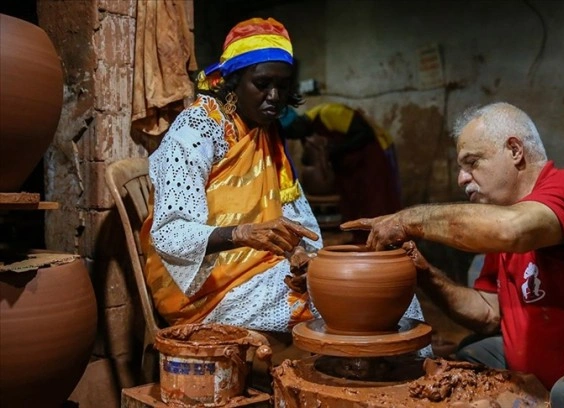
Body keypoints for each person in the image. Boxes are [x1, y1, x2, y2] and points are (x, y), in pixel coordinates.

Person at [341, 102, 564, 407]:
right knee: (462, 362)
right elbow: (489, 313)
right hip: (563, 377)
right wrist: (424, 273)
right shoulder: (503, 224)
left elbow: (511, 229)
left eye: (472, 163)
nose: (461, 178)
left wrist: (409, 220)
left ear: (515, 151)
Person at [139, 17, 427, 335]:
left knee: (388, 289)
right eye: (262, 84)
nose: (275, 96)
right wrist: (241, 234)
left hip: (263, 270)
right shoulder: (197, 129)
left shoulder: (268, 133)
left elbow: (292, 218)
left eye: (282, 84)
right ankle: (364, 373)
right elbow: (169, 235)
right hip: (202, 292)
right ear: (232, 81)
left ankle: (397, 377)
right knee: (362, 295)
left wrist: (300, 256)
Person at [280, 103, 402, 243]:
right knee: (354, 202)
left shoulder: (328, 113)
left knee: (377, 200)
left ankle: (387, 242)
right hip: (352, 164)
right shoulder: (308, 132)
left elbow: (365, 133)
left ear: (298, 122)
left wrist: (335, 150)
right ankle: (361, 241)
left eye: (292, 132)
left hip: (373, 153)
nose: (294, 137)